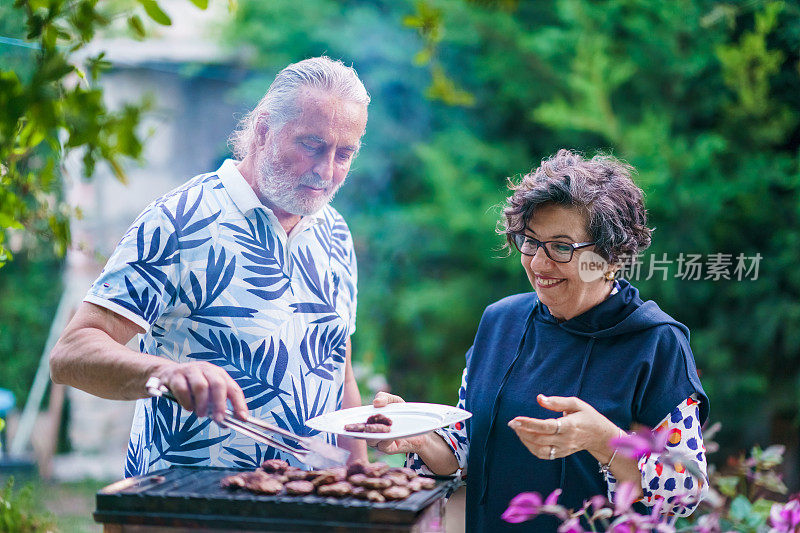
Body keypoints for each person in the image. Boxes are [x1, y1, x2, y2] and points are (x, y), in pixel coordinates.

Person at [50, 56, 370, 476]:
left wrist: (361, 475)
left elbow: (338, 372)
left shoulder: (336, 233)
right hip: (188, 508)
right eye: (312, 146)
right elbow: (71, 353)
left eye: (344, 154)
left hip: (307, 506)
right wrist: (165, 372)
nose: (326, 171)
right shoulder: (180, 220)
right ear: (263, 130)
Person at [371, 149, 709, 532]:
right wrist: (419, 438)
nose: (538, 263)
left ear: (612, 258)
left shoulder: (656, 343)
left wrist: (605, 439)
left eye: (562, 246)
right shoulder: (500, 322)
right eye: (530, 241)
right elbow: (467, 448)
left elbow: (687, 488)